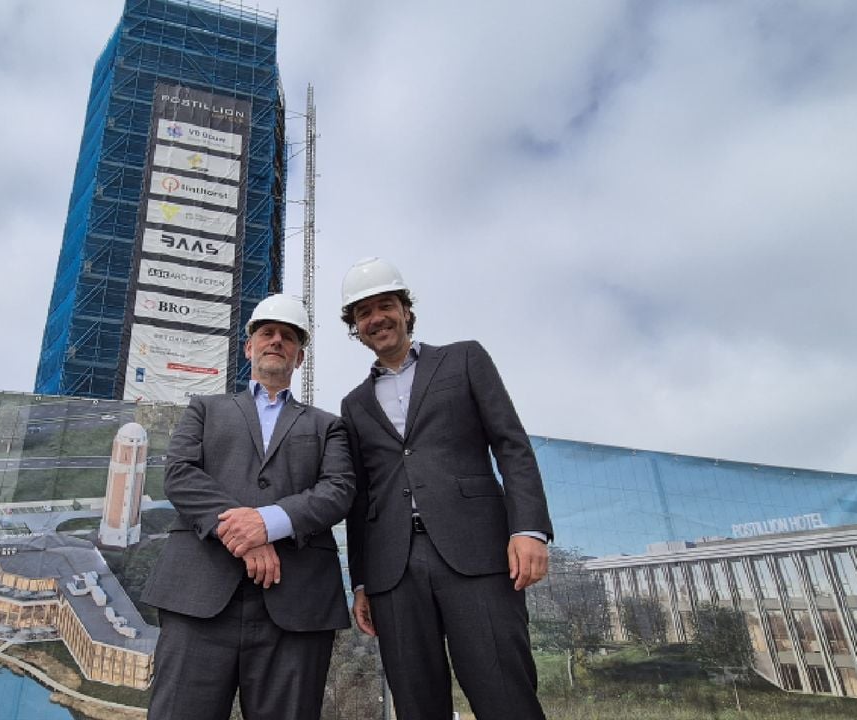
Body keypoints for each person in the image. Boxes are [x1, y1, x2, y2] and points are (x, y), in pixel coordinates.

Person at [339, 257, 553, 720]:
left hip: (477, 553)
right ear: (355, 327)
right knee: (416, 702)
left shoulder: (464, 359)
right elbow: (361, 500)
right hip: (393, 570)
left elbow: (512, 446)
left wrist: (529, 530)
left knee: (504, 692)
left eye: (385, 305)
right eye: (363, 313)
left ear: (406, 310)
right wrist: (361, 581)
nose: (376, 318)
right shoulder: (353, 405)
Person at [141, 293, 355, 720]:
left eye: (288, 336)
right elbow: (180, 474)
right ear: (249, 347)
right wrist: (245, 534)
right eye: (267, 333)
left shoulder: (327, 425)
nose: (276, 340)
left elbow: (338, 490)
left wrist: (268, 523)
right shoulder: (206, 408)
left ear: (299, 356)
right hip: (198, 597)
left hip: (296, 607)